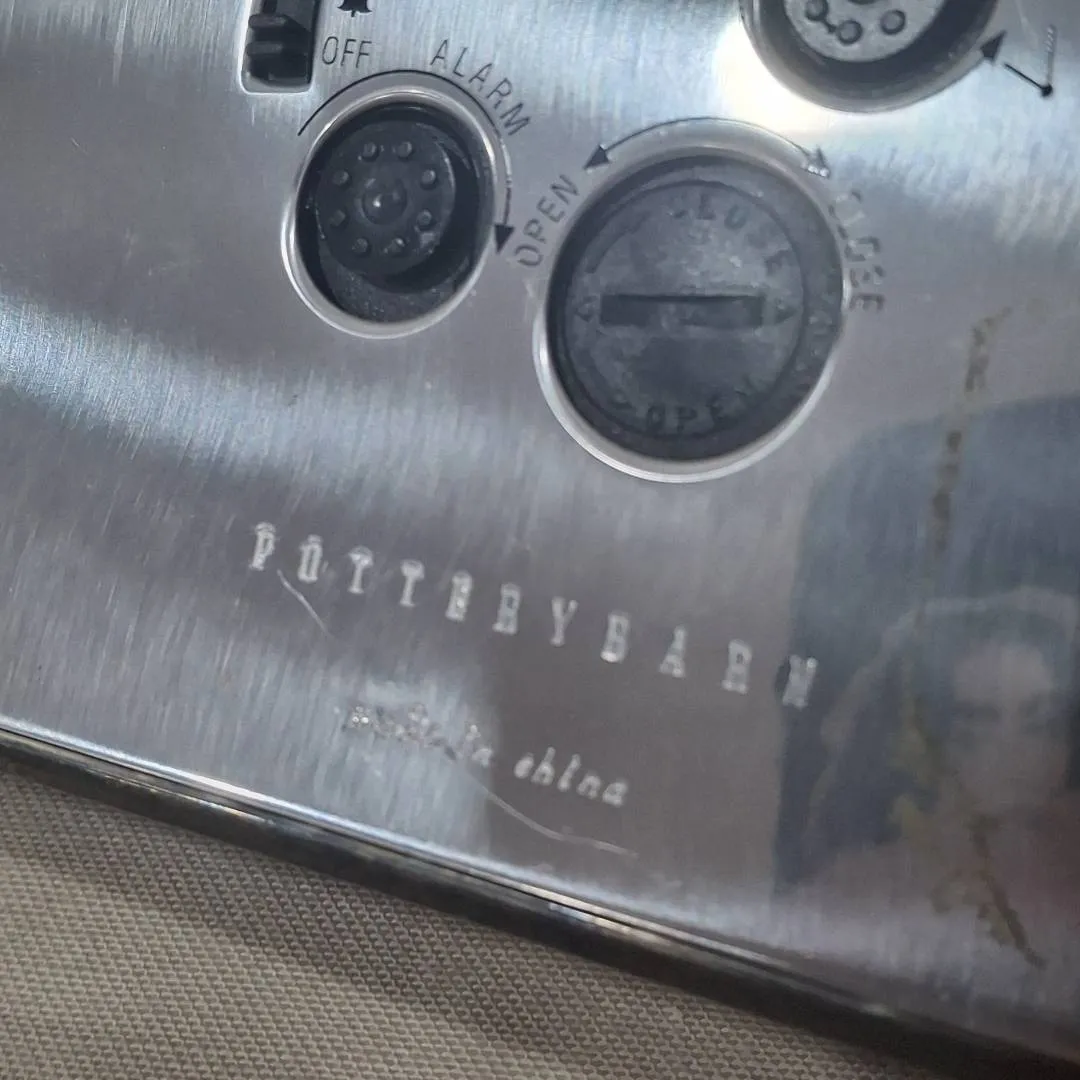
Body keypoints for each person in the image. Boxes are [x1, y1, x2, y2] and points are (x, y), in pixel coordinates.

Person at [777, 589, 1080, 1012]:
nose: (1013, 755)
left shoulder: (1068, 862)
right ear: (926, 742)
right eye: (975, 732)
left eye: (1041, 725)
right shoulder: (856, 890)